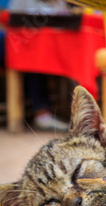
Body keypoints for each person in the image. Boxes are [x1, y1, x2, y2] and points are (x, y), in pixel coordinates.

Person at [8, 0, 69, 131]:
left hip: (52, 47)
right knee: (32, 59)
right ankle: (42, 114)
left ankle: (45, 113)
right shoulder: (20, 2)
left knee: (38, 57)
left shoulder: (59, 3)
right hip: (20, 48)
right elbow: (10, 22)